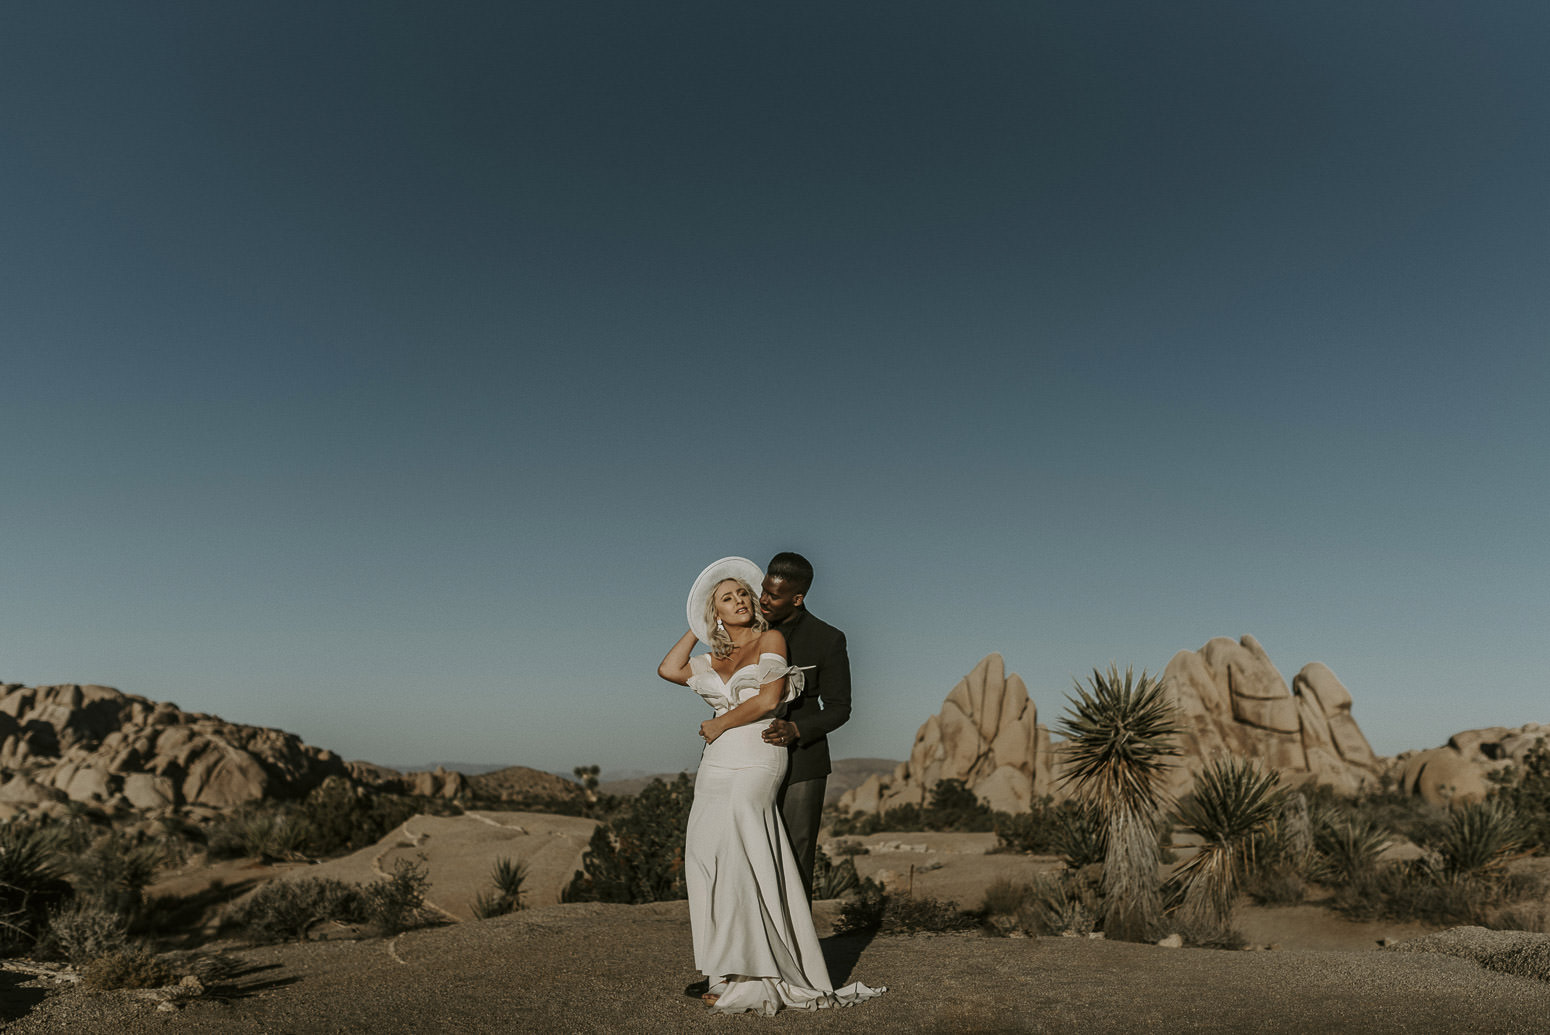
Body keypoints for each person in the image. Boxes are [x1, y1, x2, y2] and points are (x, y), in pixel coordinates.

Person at [658, 557, 884, 1016]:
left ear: (796, 598)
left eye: (766, 594)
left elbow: (834, 706)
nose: (757, 599)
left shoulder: (820, 638)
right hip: (725, 759)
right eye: (751, 591)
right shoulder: (730, 642)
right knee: (717, 856)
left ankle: (782, 963)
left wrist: (788, 730)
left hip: (787, 756)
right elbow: (670, 669)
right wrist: (700, 623)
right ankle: (729, 964)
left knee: (784, 859)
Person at [758, 551, 850, 898]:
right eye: (764, 590)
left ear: (797, 598)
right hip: (750, 759)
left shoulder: (828, 639)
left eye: (774, 595)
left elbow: (840, 708)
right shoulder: (750, 632)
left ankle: (797, 950)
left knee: (795, 858)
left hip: (804, 763)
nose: (764, 600)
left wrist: (797, 730)